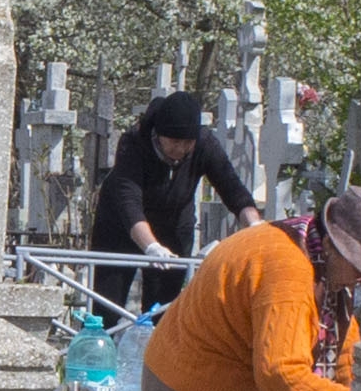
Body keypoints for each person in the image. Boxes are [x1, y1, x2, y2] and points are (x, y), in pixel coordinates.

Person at [137, 188, 361, 391]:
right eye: (360, 268)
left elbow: (345, 355)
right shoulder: (288, 270)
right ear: (329, 244)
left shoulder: (314, 255)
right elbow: (281, 377)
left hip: (182, 379)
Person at [88, 88, 261, 313]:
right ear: (158, 135)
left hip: (173, 227)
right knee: (106, 308)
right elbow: (128, 201)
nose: (180, 149)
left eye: (187, 142)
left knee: (162, 311)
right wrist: (151, 246)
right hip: (121, 227)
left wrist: (255, 225)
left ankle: (155, 346)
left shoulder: (205, 144)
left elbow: (232, 188)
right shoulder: (134, 143)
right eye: (174, 142)